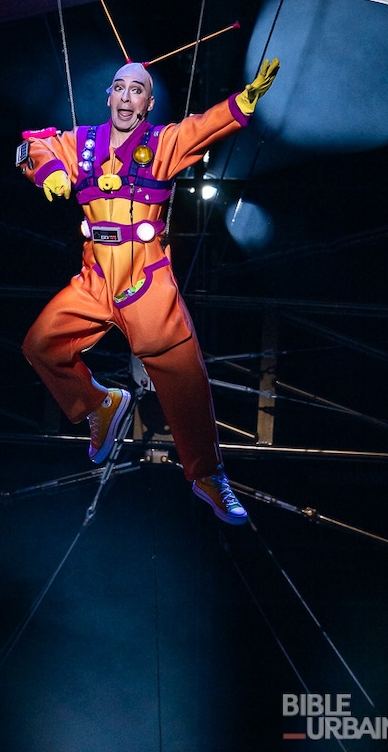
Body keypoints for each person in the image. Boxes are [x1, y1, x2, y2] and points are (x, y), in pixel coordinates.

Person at [16, 57, 280, 524]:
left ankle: (206, 475)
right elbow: (34, 145)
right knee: (41, 344)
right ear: (108, 96)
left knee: (184, 376)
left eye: (136, 90)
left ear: (148, 103)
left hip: (145, 278)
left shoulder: (162, 143)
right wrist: (48, 171)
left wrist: (245, 99)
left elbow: (203, 127)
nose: (124, 95)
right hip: (95, 275)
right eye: (118, 87)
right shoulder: (83, 143)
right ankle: (99, 402)